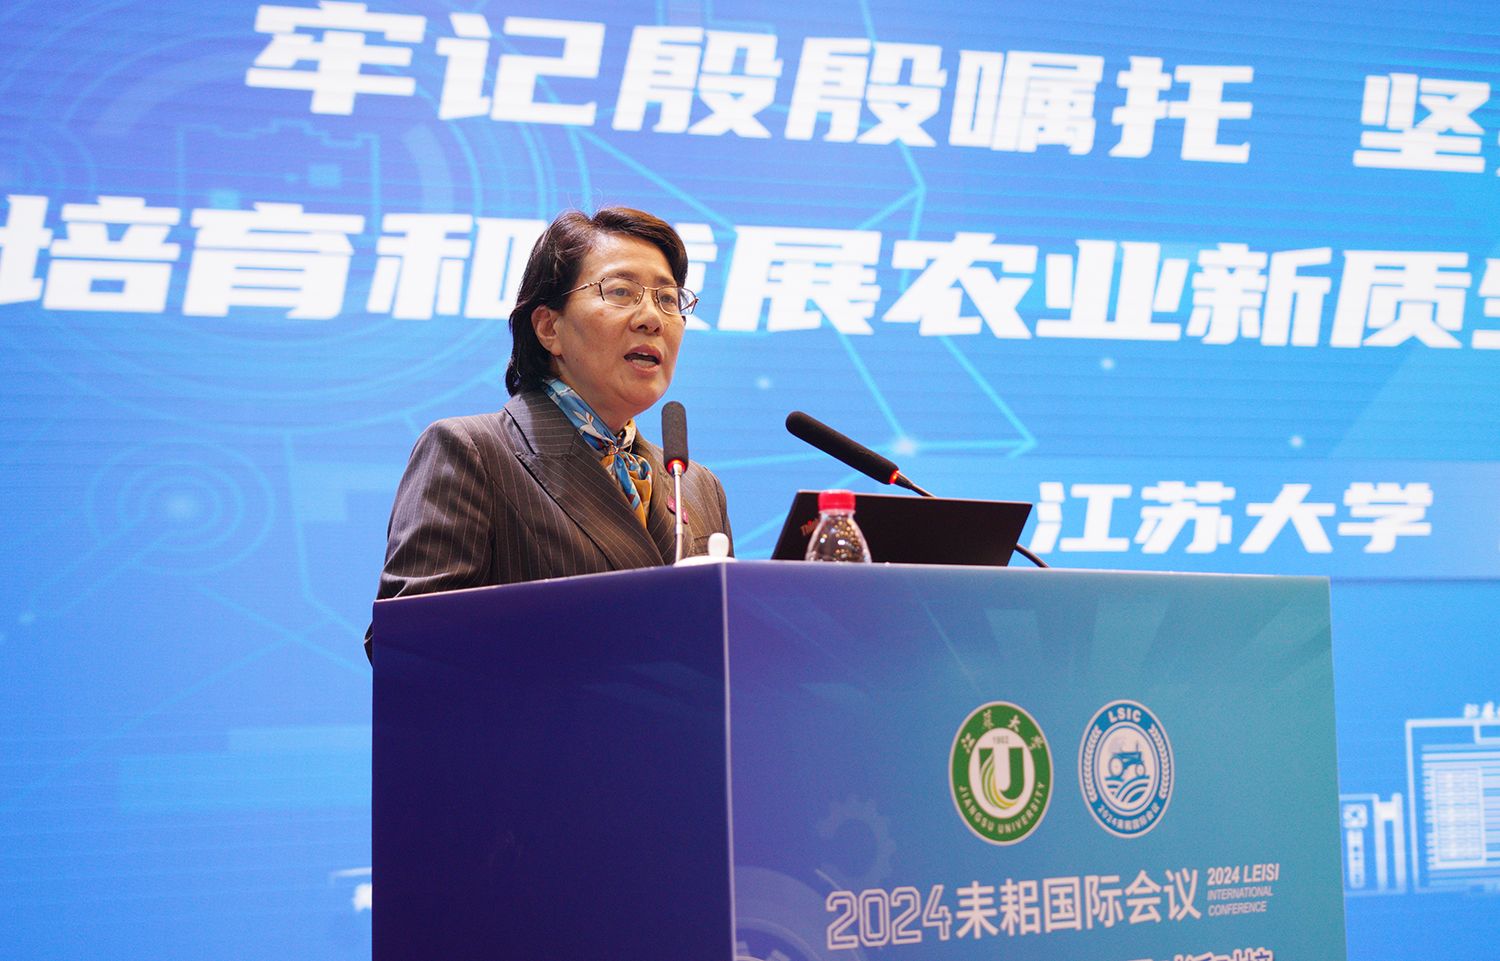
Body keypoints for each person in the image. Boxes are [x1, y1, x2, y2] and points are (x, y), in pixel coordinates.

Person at [365, 207, 732, 660]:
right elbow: (411, 646)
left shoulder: (696, 485)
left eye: (668, 299)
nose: (651, 319)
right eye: (621, 291)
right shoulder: (472, 453)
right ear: (548, 327)